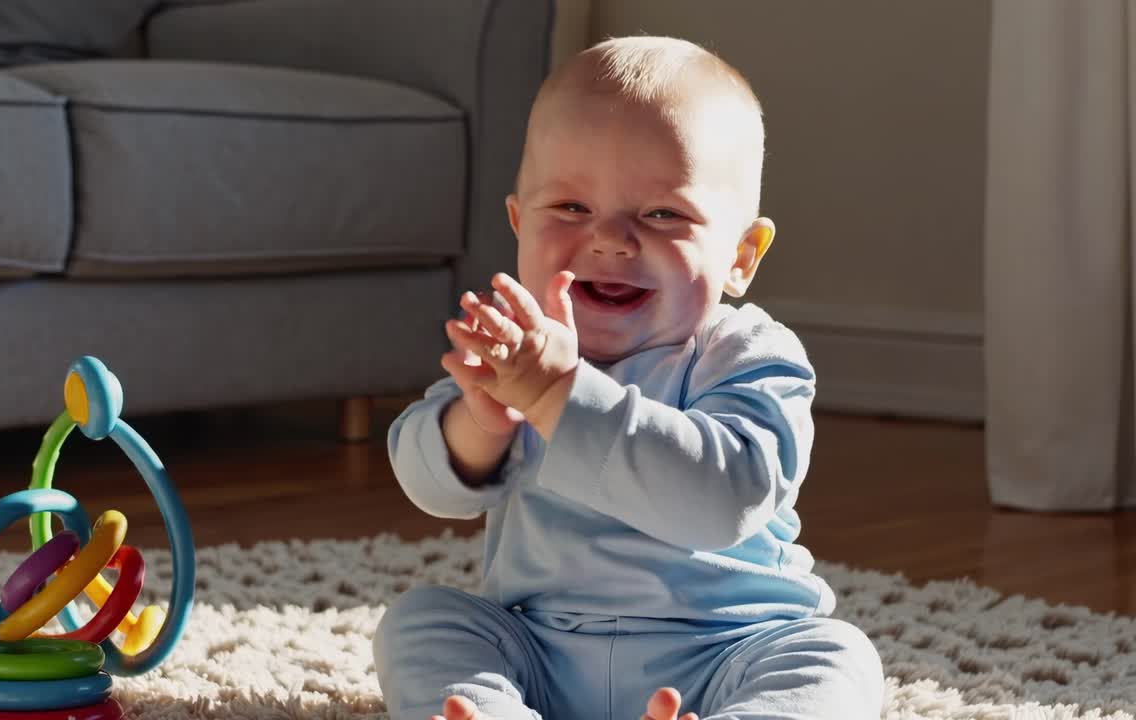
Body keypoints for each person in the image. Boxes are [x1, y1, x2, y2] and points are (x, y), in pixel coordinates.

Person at [373, 35, 884, 720]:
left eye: (662, 214)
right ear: (520, 225)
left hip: (725, 649)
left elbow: (722, 498)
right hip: (543, 651)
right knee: (421, 621)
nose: (610, 238)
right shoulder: (518, 351)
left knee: (836, 658)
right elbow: (430, 487)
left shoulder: (749, 355)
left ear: (741, 256)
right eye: (571, 209)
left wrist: (559, 396)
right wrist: (482, 421)